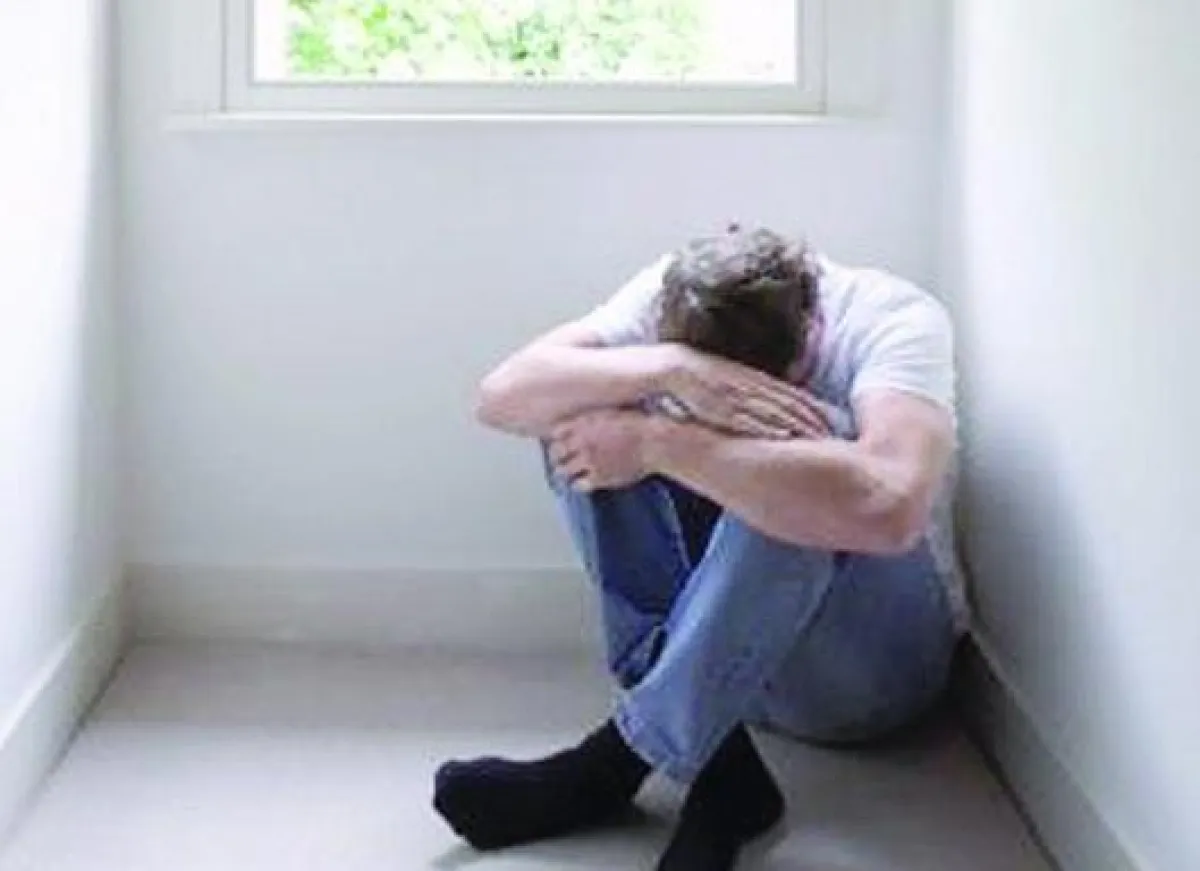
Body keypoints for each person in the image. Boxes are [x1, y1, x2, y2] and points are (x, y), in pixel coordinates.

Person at [433, 226, 966, 871]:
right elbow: (502, 398)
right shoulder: (676, 296)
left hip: (866, 679)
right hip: (730, 663)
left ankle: (613, 762)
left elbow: (891, 508)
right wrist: (673, 372)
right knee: (582, 421)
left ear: (814, 324)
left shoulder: (891, 319)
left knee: (806, 466)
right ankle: (723, 772)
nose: (739, 401)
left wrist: (659, 442)